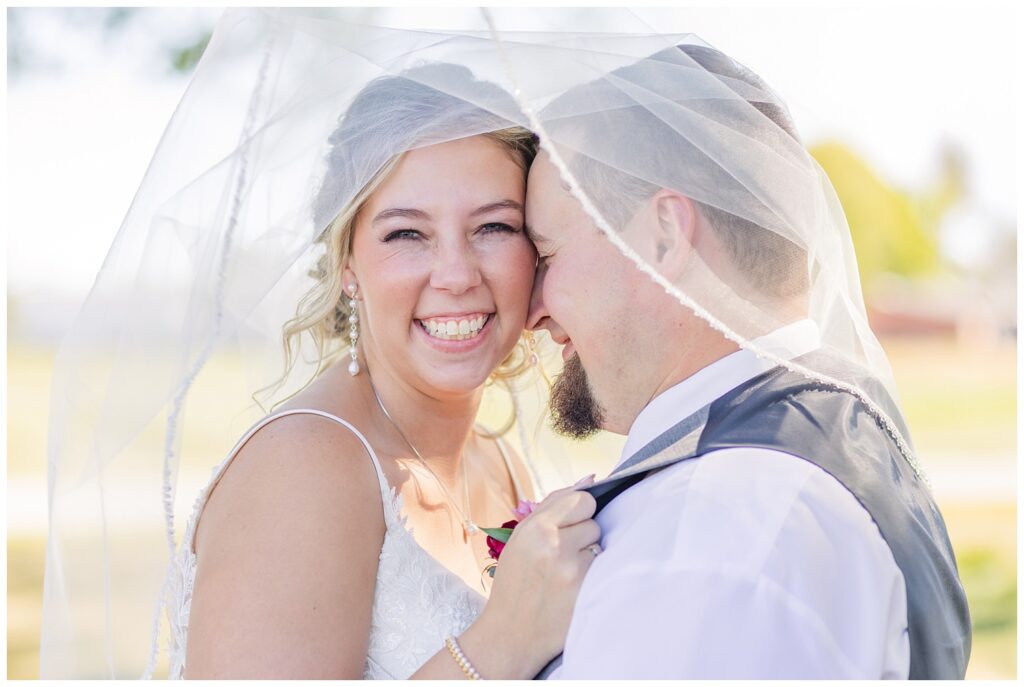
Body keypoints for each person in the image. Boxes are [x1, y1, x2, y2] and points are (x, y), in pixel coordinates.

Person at [522, 42, 971, 679]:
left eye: (546, 256)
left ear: (664, 236)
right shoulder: (840, 424)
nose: (531, 309)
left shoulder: (706, 542)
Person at [159, 65, 601, 679]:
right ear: (347, 264)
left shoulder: (500, 461)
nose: (456, 274)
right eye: (406, 234)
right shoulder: (306, 467)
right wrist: (504, 641)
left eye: (494, 227)